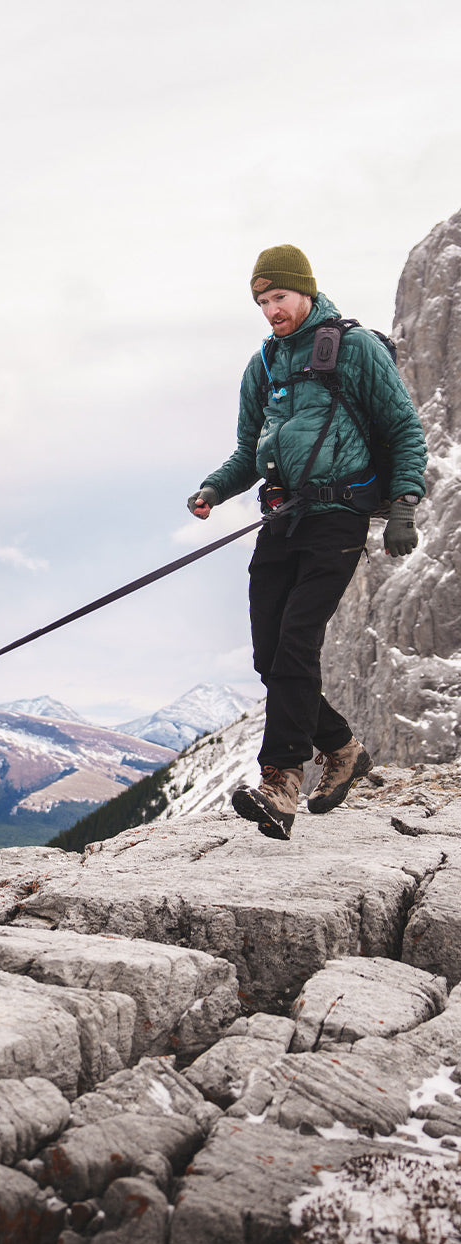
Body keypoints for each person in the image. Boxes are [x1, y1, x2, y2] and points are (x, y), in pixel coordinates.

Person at [187, 244, 427, 840]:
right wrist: (215, 488)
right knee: (269, 656)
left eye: (280, 297)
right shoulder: (264, 364)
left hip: (338, 516)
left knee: (296, 642)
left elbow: (401, 424)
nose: (272, 310)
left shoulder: (352, 347)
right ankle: (343, 748)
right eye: (262, 301)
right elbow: (250, 450)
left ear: (307, 291)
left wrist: (403, 504)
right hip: (282, 518)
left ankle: (281, 782)